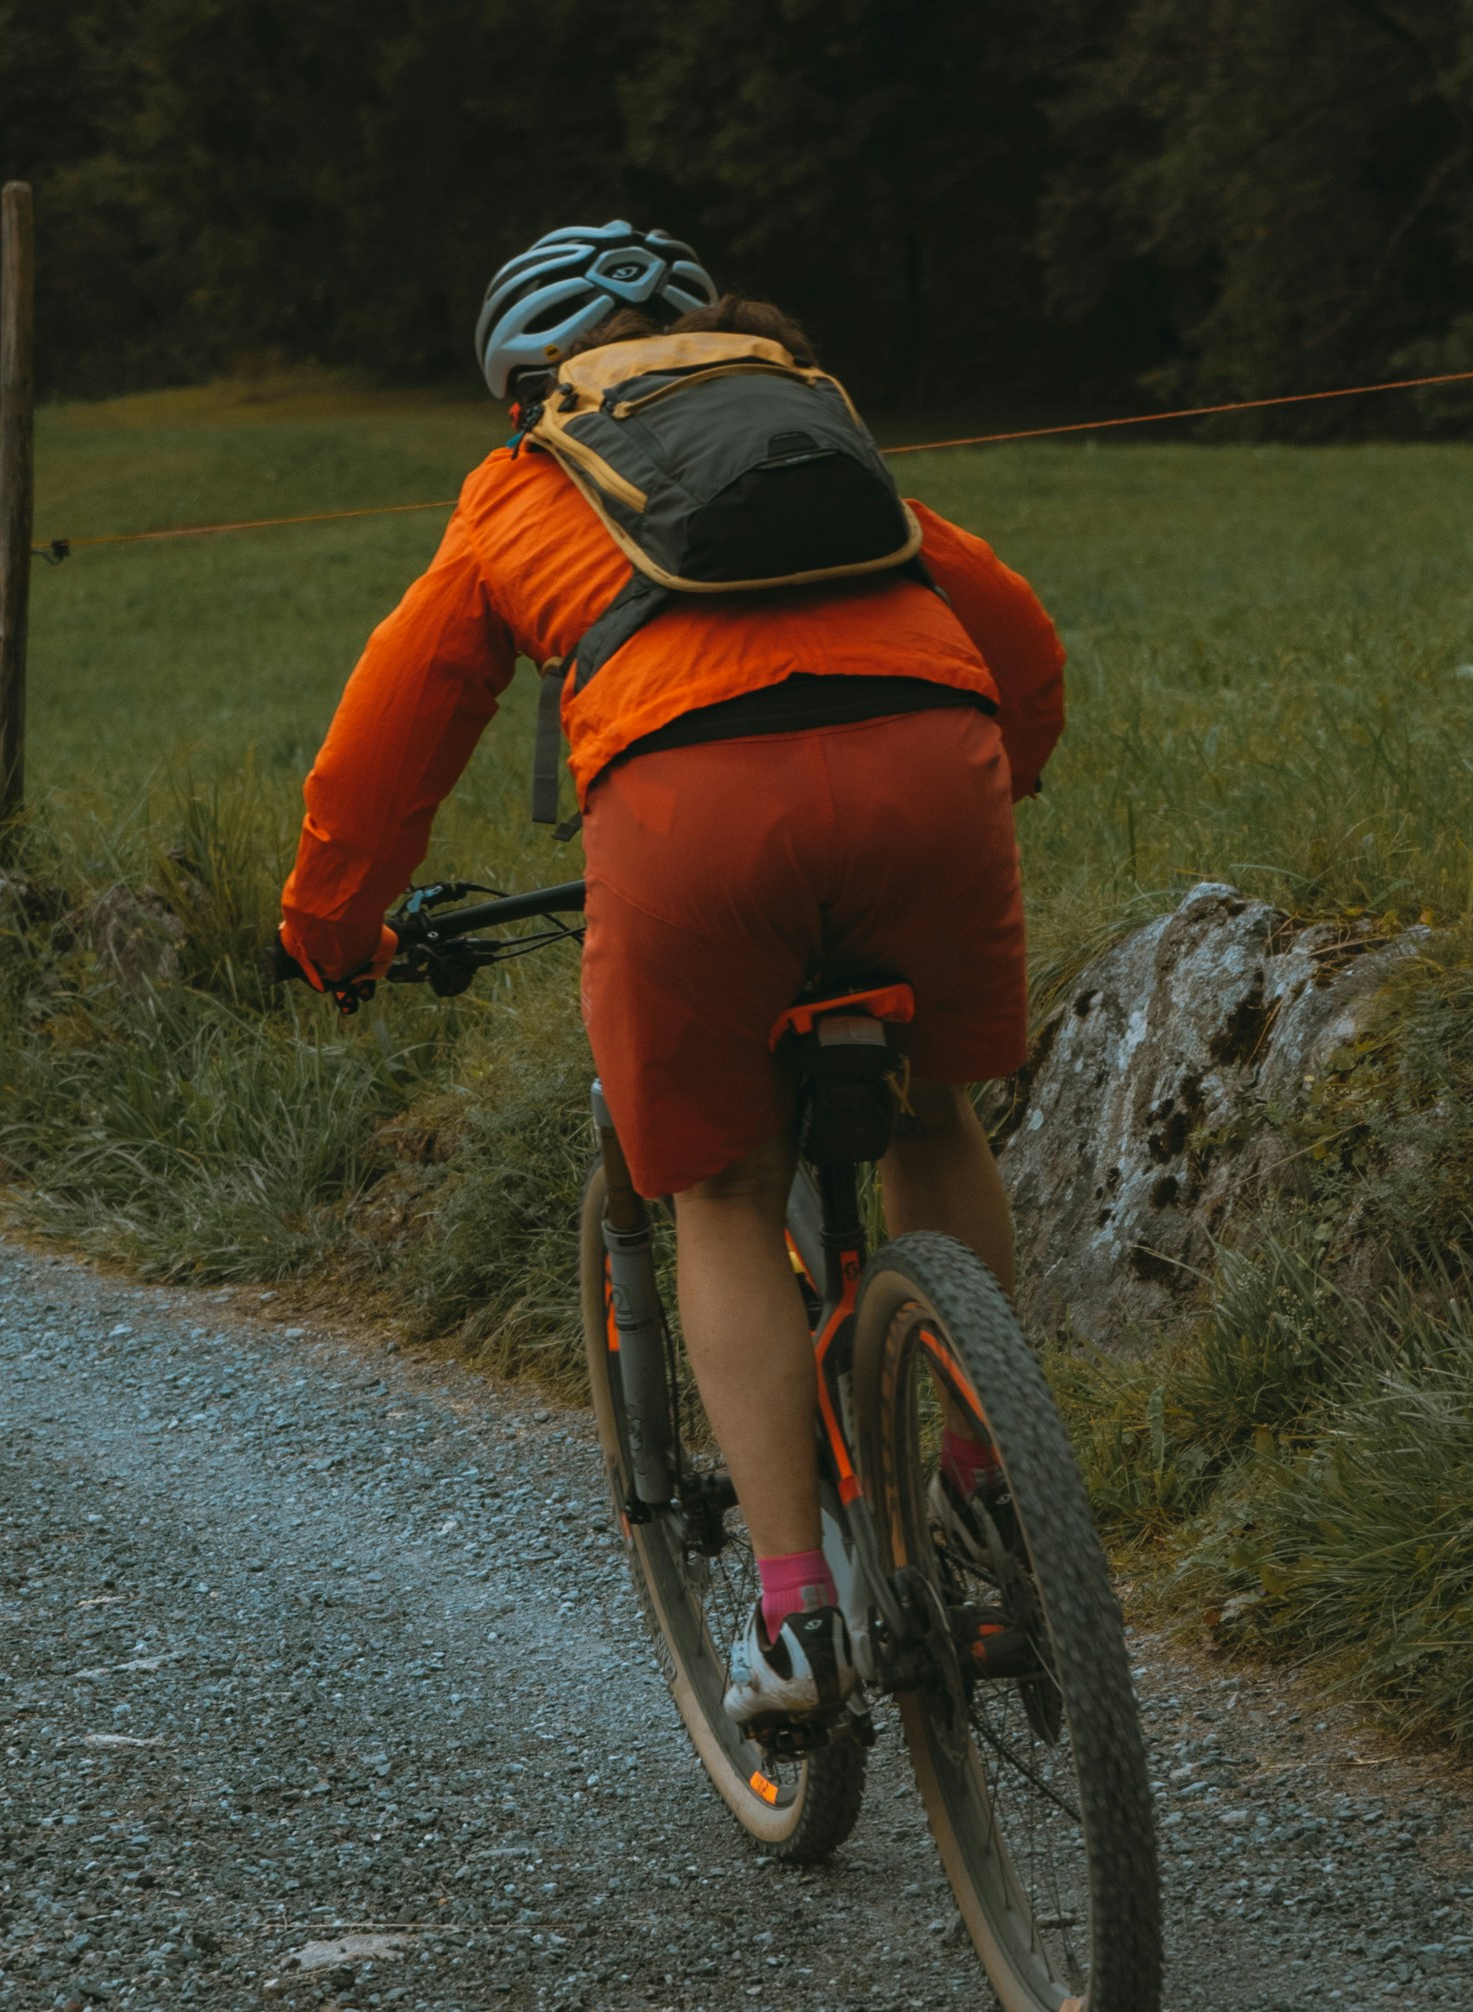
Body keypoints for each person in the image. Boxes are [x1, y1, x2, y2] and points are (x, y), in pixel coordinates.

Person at [277, 222, 1065, 1728]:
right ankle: (985, 1485)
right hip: (928, 767)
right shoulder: (815, 423)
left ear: (525, 383)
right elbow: (1013, 631)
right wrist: (997, 765)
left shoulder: (523, 483)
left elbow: (392, 737)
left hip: (690, 808)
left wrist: (329, 932)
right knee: (929, 1112)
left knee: (714, 1186)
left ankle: (791, 1625)